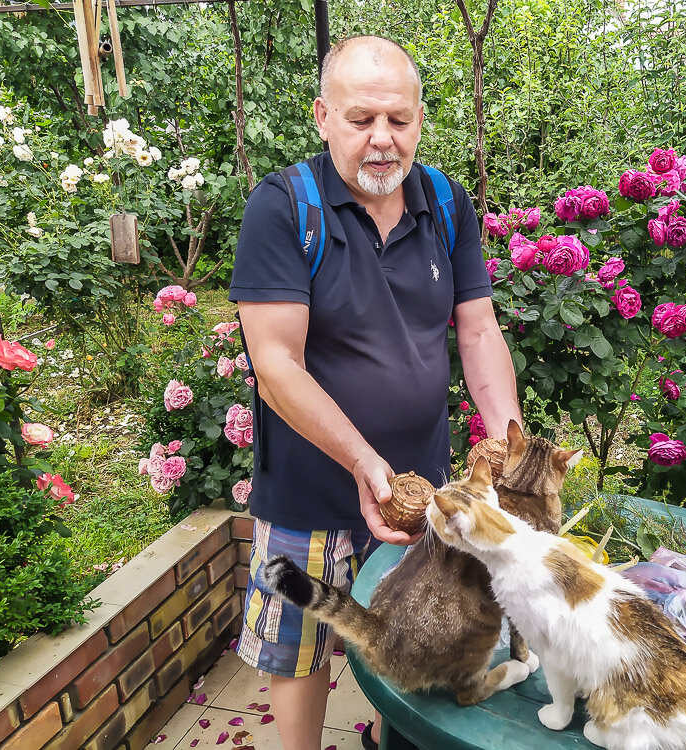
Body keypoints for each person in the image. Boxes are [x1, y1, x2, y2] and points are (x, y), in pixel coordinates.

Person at [229, 35, 522, 750]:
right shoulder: (283, 208)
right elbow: (277, 368)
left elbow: (478, 330)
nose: (382, 140)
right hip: (313, 490)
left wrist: (513, 448)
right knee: (300, 654)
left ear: (420, 118)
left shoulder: (445, 201)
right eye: (362, 120)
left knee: (419, 630)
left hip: (425, 492)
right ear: (324, 116)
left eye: (398, 119)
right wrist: (364, 464)